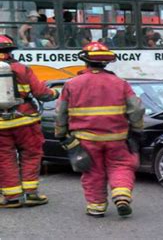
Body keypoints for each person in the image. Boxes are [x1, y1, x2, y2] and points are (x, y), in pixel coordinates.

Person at [55, 42, 145, 218]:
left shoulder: (72, 84)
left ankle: (96, 207)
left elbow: (61, 112)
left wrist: (60, 133)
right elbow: (136, 109)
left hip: (86, 140)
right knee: (121, 166)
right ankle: (121, 196)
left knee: (92, 172)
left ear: (85, 61)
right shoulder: (120, 83)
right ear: (105, 63)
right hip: (117, 138)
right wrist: (137, 129)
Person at [0, 35, 59, 208]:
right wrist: (56, 93)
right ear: (11, 51)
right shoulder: (23, 69)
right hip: (25, 121)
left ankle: (12, 198)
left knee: (4, 158)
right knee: (31, 154)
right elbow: (43, 94)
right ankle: (31, 194)